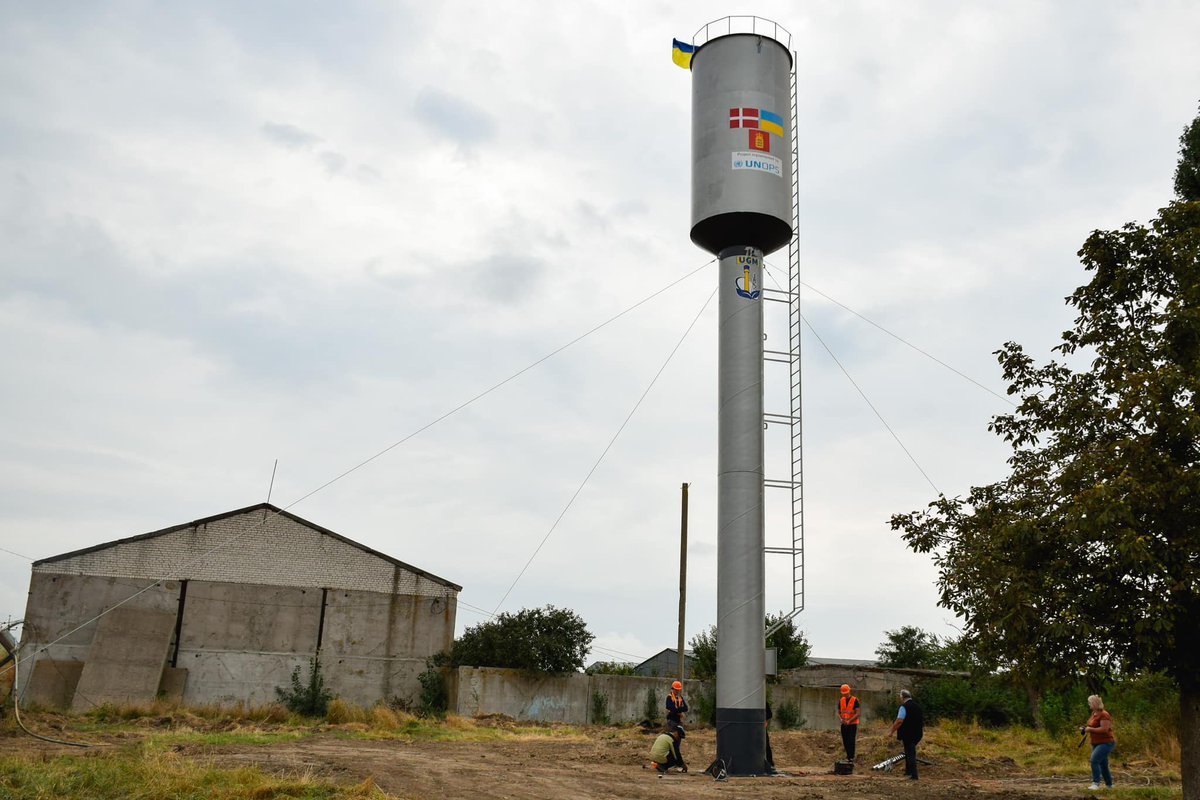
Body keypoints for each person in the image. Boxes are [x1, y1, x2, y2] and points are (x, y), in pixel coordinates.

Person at [888, 688, 924, 780]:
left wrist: (892, 731)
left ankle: (914, 774)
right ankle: (908, 771)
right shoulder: (918, 706)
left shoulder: (904, 707)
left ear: (902, 697)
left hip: (908, 734)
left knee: (910, 753)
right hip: (918, 733)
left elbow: (899, 721)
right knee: (908, 752)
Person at [1082, 694, 1115, 790]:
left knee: (1094, 760)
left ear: (1095, 703)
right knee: (1103, 765)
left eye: (1090, 703)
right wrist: (1085, 729)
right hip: (1096, 743)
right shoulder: (1094, 714)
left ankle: (1095, 783)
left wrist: (1090, 729)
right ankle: (1110, 785)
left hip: (1106, 743)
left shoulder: (1104, 714)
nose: (1089, 705)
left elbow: (1104, 729)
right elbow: (1092, 726)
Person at [838, 683, 861, 761]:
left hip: (852, 724)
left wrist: (849, 721)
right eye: (843, 693)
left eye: (846, 693)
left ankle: (851, 757)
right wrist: (841, 719)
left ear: (849, 691)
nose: (845, 694)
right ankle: (848, 757)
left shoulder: (855, 700)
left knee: (851, 741)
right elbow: (839, 712)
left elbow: (858, 713)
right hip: (844, 724)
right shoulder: (841, 700)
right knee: (845, 741)